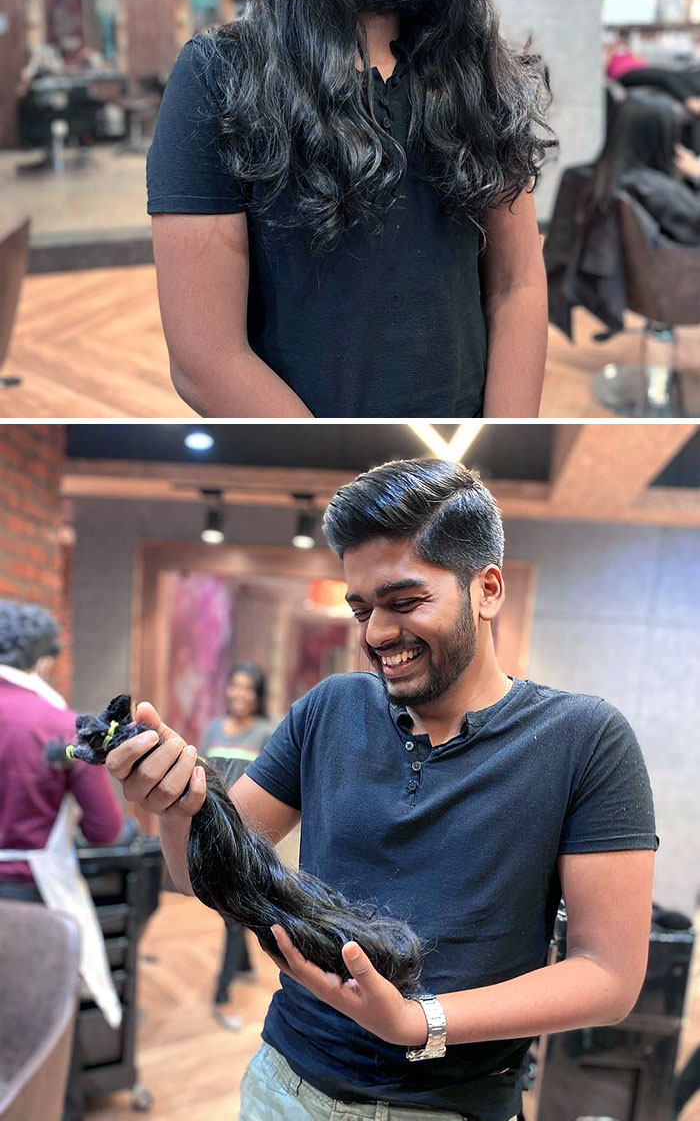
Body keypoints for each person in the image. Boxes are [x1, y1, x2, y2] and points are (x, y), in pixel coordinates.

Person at [105, 460, 657, 1121]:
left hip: (454, 1107)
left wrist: (418, 1022)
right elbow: (203, 879)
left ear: (486, 590)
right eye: (362, 609)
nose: (375, 634)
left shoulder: (585, 740)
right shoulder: (330, 709)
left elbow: (608, 975)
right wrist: (176, 807)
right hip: (286, 1088)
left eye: (405, 602)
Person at [147, 0, 555, 421]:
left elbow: (516, 283)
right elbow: (206, 358)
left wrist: (503, 435)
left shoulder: (472, 69)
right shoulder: (220, 73)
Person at [0, 600, 125, 1121]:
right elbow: (105, 829)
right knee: (44, 1042)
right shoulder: (57, 724)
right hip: (32, 901)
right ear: (44, 659)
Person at [545, 89, 700, 340]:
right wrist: (696, 174)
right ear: (663, 139)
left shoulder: (582, 179)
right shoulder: (657, 190)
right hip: (676, 289)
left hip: (633, 288)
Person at [201, 662, 274, 1030]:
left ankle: (222, 994)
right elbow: (201, 775)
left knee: (232, 911)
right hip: (212, 830)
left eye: (248, 688)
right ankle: (244, 963)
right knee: (232, 906)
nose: (239, 694)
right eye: (235, 685)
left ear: (258, 696)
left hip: (245, 838)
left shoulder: (265, 732)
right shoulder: (213, 728)